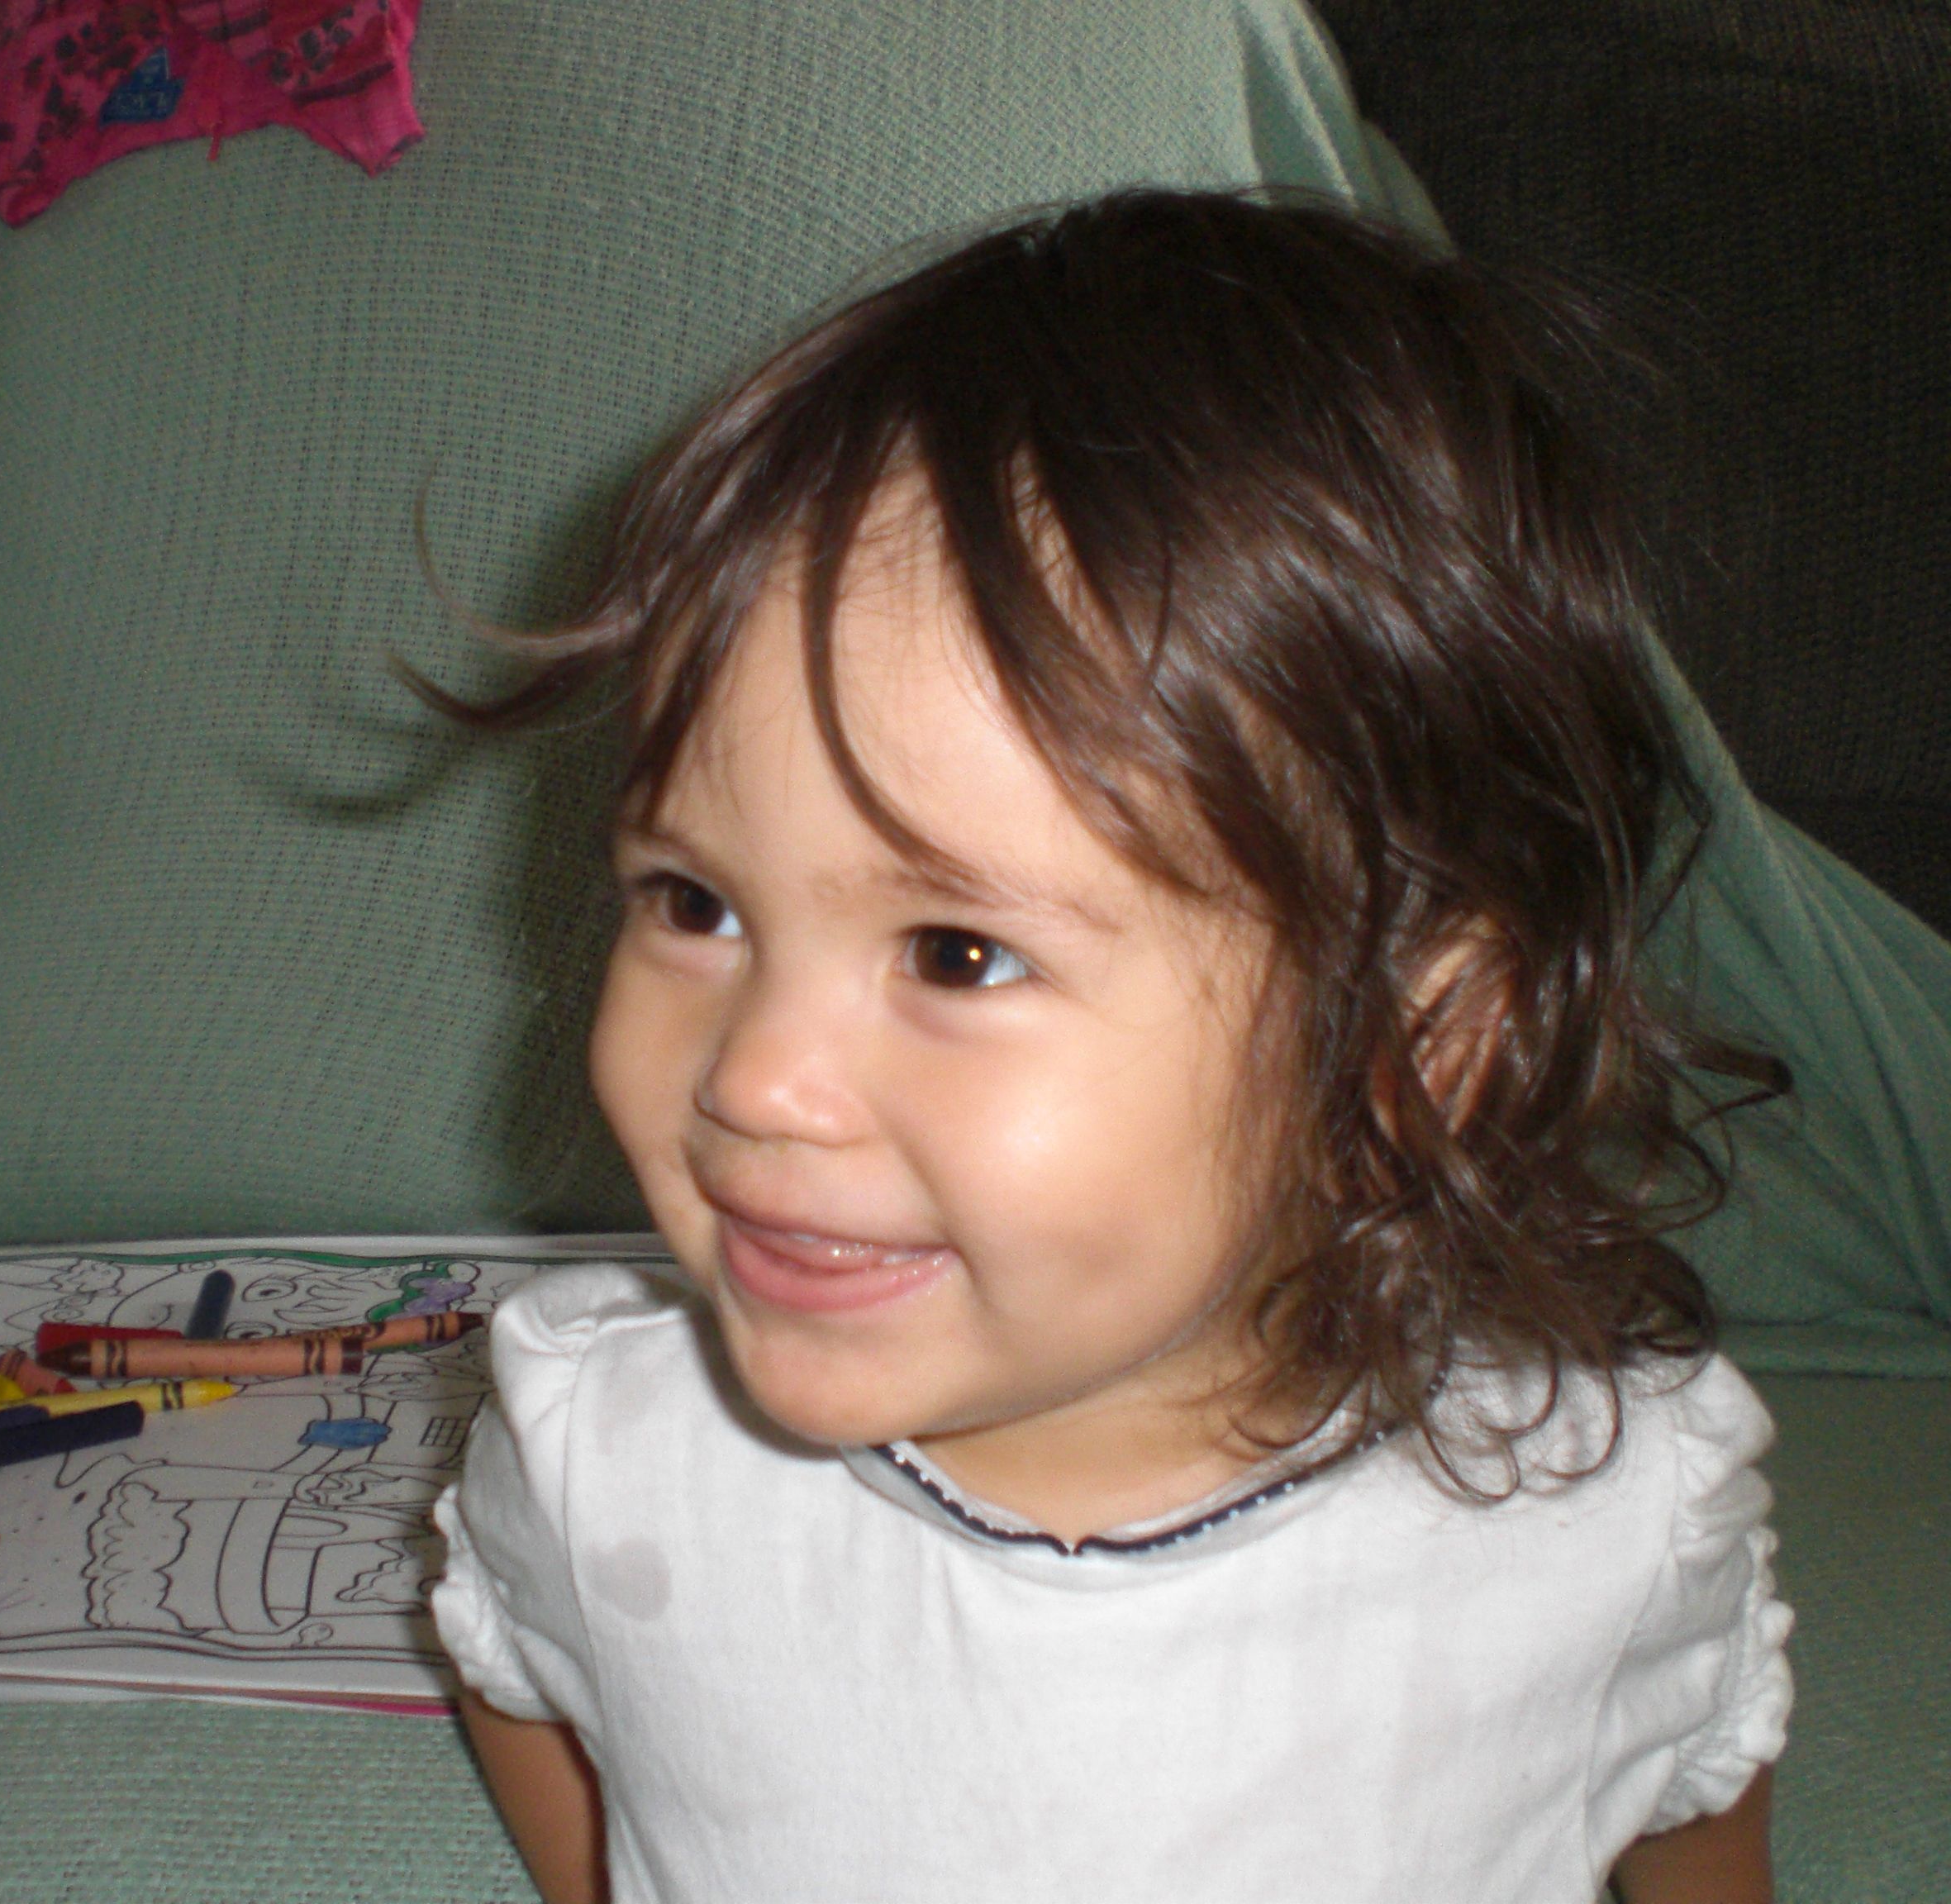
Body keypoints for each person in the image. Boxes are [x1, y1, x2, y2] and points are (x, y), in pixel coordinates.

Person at [426, 191, 1794, 1904]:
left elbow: (1694, 1785)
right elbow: (512, 1662)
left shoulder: (1596, 1529)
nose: (751, 1079)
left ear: (1412, 1046)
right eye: (695, 903)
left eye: (958, 953)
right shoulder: (604, 1456)